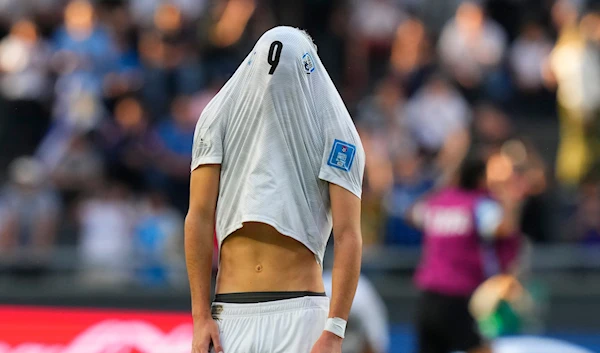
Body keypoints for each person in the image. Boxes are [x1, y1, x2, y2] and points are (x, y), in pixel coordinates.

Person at [185, 26, 365, 353]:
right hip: (230, 314)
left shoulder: (338, 135)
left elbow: (349, 234)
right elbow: (197, 216)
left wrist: (334, 330)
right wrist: (200, 316)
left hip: (301, 315)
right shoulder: (216, 121)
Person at [408, 153, 524, 353]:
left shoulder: (436, 203)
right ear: (481, 178)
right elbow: (505, 228)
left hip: (427, 299)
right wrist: (505, 193)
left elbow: (411, 215)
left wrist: (445, 187)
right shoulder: (480, 206)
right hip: (460, 298)